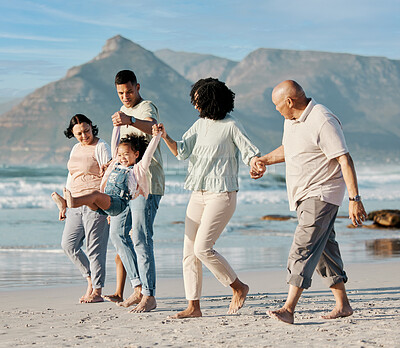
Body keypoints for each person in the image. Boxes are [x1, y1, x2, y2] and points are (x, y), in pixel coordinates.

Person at [251, 80, 367, 324]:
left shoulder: (322, 119)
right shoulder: (291, 121)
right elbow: (290, 148)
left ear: (290, 102)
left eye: (277, 104)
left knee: (302, 247)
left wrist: (354, 199)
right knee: (325, 250)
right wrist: (264, 160)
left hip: (322, 193)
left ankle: (288, 308)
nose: (276, 109)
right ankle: (343, 305)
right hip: (303, 195)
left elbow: (345, 159)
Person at [153, 77, 261, 318]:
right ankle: (194, 306)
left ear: (211, 100)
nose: (195, 105)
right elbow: (181, 151)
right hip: (197, 193)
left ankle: (238, 286)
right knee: (189, 252)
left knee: (203, 248)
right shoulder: (200, 124)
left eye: (198, 100)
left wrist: (256, 165)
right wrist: (165, 136)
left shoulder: (231, 125)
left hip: (222, 194)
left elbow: (250, 152)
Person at [104, 70, 165, 312]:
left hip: (146, 184)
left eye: (129, 91)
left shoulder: (145, 107)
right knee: (117, 234)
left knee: (140, 237)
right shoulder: (122, 113)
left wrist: (129, 120)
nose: (125, 96)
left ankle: (149, 295)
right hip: (123, 186)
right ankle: (138, 286)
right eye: (120, 93)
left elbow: (152, 127)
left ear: (137, 87)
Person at [51, 114, 111, 303]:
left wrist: (109, 208)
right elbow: (72, 175)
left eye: (86, 131)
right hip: (75, 203)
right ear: (72, 134)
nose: (84, 135)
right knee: (68, 245)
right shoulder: (76, 148)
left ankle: (97, 291)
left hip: (94, 204)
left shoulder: (101, 146)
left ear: (92, 128)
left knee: (95, 249)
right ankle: (90, 280)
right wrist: (65, 205)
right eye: (79, 133)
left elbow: (109, 176)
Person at [53, 131, 162, 217]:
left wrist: (157, 136)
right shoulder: (116, 164)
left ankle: (69, 202)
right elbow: (114, 143)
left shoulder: (138, 169)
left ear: (136, 154)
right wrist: (116, 126)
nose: (122, 158)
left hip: (117, 203)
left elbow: (148, 153)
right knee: (90, 197)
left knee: (95, 195)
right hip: (106, 202)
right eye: (119, 155)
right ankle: (66, 203)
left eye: (126, 154)